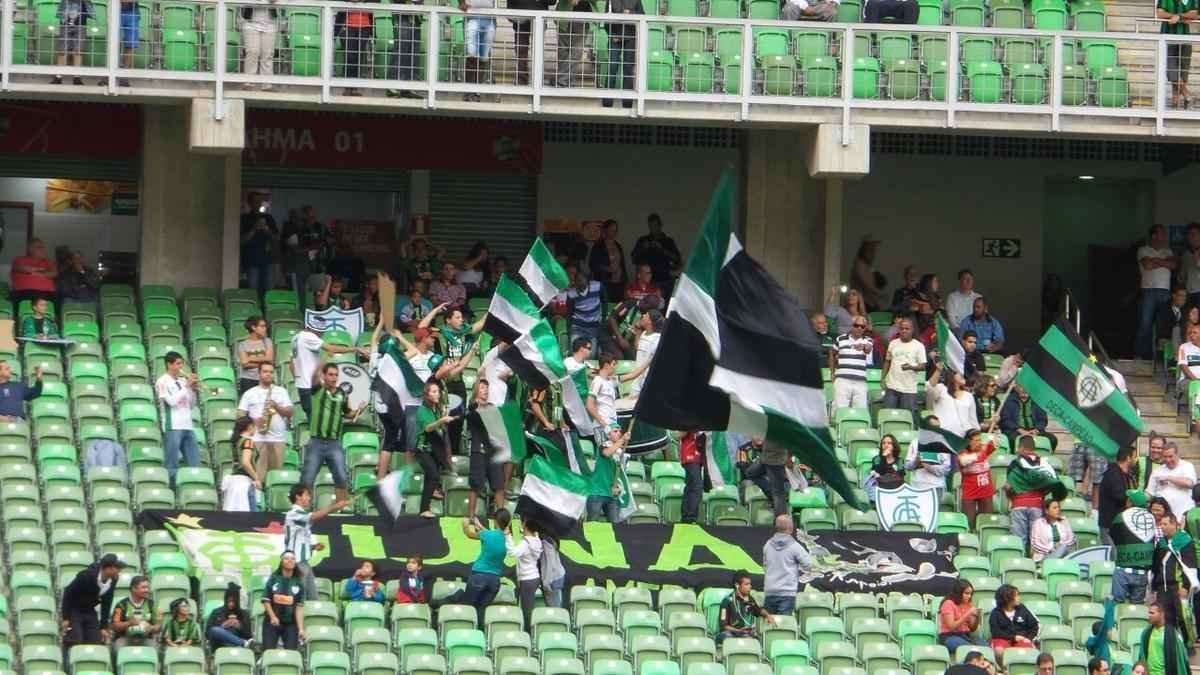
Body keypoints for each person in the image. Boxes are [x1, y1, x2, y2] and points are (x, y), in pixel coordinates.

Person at [301, 363, 362, 506]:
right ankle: (302, 508)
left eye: (336, 375)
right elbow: (313, 377)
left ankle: (340, 508)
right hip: (316, 442)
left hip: (334, 443)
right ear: (324, 376)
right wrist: (320, 361)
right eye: (330, 374)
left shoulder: (342, 394)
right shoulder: (317, 390)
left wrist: (359, 409)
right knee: (307, 478)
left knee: (341, 477)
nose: (334, 378)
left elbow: (348, 414)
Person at [437, 511, 511, 625]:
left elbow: (469, 534)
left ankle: (443, 603)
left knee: (466, 605)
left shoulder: (488, 535)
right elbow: (491, 534)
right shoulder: (507, 539)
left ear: (495, 521)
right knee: (480, 609)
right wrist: (479, 525)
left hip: (479, 575)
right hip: (494, 580)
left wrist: (465, 525)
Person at [284, 483, 347, 603]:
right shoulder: (293, 514)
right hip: (296, 563)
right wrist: (335, 507)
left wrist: (312, 547)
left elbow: (298, 540)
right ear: (298, 496)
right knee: (299, 600)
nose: (309, 498)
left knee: (313, 598)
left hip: (304, 563)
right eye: (307, 495)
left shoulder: (300, 515)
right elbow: (314, 516)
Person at [1006, 435, 1067, 551]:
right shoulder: (1044, 464)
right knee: (1036, 541)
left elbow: (1009, 486)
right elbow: (1053, 483)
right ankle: (1034, 566)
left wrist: (1010, 497)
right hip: (1037, 505)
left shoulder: (1014, 464)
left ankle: (1021, 567)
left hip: (1018, 505)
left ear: (1021, 448)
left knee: (1019, 541)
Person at [236, 362, 293, 482]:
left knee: (276, 478)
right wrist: (254, 421)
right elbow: (240, 414)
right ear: (259, 374)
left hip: (277, 439)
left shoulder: (281, 391)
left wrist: (276, 406)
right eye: (265, 372)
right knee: (258, 476)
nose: (269, 374)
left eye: (271, 372)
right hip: (257, 439)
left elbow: (290, 412)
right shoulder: (250, 393)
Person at [289, 326, 357, 417]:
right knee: (318, 419)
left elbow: (291, 365)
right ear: (311, 329)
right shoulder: (308, 336)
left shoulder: (295, 338)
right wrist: (355, 349)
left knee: (316, 416)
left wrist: (298, 381)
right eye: (319, 332)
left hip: (304, 386)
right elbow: (330, 348)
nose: (321, 335)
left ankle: (348, 413)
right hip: (310, 385)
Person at [61, 553, 127, 648]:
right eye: (117, 568)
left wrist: (103, 626)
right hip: (74, 609)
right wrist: (66, 617)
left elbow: (107, 601)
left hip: (90, 610)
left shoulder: (114, 579)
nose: (119, 571)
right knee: (75, 639)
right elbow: (68, 592)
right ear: (108, 569)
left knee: (95, 641)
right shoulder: (86, 576)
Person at [1151, 509, 1197, 642]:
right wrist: (1154, 586)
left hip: (1179, 585)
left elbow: (1190, 567)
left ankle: (1187, 646)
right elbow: (1156, 566)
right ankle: (1168, 643)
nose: (1162, 527)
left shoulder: (1186, 541)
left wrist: (1186, 586)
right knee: (1165, 617)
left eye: (1165, 524)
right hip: (1162, 587)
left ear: (1174, 524)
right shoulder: (1161, 543)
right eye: (1161, 524)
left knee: (1183, 617)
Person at [465, 380, 507, 520]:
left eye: (487, 388)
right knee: (475, 485)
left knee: (499, 484)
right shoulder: (472, 408)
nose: (485, 390)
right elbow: (474, 419)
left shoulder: (492, 407)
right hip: (479, 450)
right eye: (482, 387)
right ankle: (471, 516)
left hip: (493, 451)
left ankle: (501, 517)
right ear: (476, 389)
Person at [157, 351, 200, 486]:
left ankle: (194, 488)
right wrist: (186, 387)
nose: (181, 367)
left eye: (182, 363)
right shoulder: (162, 381)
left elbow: (191, 405)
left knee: (194, 462)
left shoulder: (182, 381)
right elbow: (171, 402)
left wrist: (193, 390)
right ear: (169, 364)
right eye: (178, 364)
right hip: (173, 425)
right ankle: (172, 491)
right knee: (172, 462)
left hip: (187, 425)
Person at [415, 380, 457, 518]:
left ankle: (424, 509)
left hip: (435, 450)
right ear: (427, 395)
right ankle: (424, 508)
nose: (437, 394)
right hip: (423, 450)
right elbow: (427, 428)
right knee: (433, 475)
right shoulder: (422, 410)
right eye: (433, 391)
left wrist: (445, 419)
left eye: (438, 391)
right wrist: (441, 421)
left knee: (430, 477)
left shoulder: (437, 410)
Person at [1138, 225, 1178, 359]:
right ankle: (1143, 355)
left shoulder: (1168, 251)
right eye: (1162, 233)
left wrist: (1154, 260)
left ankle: (1161, 357)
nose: (1164, 236)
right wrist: (1164, 262)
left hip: (1165, 292)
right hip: (1148, 291)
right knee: (1145, 323)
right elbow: (1147, 265)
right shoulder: (1143, 250)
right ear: (1154, 235)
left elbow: (1173, 265)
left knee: (1164, 325)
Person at [762, 515, 813, 615]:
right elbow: (808, 565)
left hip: (770, 591)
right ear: (791, 528)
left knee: (769, 626)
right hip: (787, 592)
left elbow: (765, 567)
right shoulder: (795, 547)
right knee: (783, 628)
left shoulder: (767, 545)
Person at [1111, 490, 1156, 602]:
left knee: (1117, 605)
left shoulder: (1121, 516)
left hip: (1123, 568)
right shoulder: (1152, 517)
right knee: (1136, 610)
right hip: (1143, 571)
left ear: (1130, 502)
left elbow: (1113, 535)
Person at [882, 318, 926, 421]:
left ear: (912, 330)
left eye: (907, 329)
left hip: (909, 389)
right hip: (892, 386)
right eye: (902, 328)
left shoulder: (919, 346)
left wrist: (911, 367)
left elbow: (922, 366)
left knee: (909, 417)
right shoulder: (893, 343)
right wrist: (882, 378)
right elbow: (887, 361)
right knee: (888, 416)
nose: (904, 331)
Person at [602, 0, 644, 108]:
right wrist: (611, 35)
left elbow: (642, 16)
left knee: (627, 69)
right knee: (612, 67)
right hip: (614, 38)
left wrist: (631, 13)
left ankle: (627, 104)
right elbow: (606, 20)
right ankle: (607, 103)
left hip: (630, 39)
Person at [716, 570, 777, 644]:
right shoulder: (727, 601)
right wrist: (740, 631)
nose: (750, 587)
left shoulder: (750, 599)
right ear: (737, 585)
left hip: (745, 633)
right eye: (746, 584)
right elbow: (724, 626)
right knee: (728, 636)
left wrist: (768, 615)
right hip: (730, 633)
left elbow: (759, 610)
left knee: (754, 639)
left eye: (750, 584)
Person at [262, 551, 307, 650]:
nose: (290, 560)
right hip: (272, 622)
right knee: (268, 651)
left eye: (293, 559)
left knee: (291, 653)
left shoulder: (299, 582)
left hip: (290, 624)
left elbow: (299, 608)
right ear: (282, 562)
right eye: (286, 558)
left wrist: (301, 629)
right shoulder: (273, 578)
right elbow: (266, 600)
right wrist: (273, 617)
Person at [632, 213, 682, 297]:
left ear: (660, 225)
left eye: (654, 225)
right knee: (648, 308)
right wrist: (643, 248)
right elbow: (633, 259)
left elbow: (677, 259)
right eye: (650, 226)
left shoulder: (668, 241)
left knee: (664, 307)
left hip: (665, 280)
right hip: (647, 282)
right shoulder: (643, 240)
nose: (652, 228)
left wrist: (662, 249)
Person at [739, 437, 791, 517]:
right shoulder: (744, 448)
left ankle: (780, 520)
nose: (759, 437)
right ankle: (769, 491)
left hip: (775, 463)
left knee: (778, 492)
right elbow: (743, 467)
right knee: (749, 474)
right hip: (766, 462)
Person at [905, 415, 953, 500]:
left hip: (936, 487)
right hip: (918, 486)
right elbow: (907, 466)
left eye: (938, 427)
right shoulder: (915, 442)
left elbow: (946, 469)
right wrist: (916, 462)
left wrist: (928, 466)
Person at [829, 315, 873, 409]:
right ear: (851, 325)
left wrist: (864, 347)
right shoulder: (840, 339)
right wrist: (832, 373)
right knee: (838, 409)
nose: (859, 328)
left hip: (860, 381)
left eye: (862, 326)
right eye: (856, 325)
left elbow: (868, 349)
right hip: (842, 380)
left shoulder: (868, 340)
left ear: (865, 328)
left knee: (860, 410)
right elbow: (832, 354)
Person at [926, 359, 978, 437]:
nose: (962, 374)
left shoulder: (969, 396)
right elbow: (929, 387)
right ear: (951, 375)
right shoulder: (941, 389)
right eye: (958, 373)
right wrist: (938, 370)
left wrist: (976, 434)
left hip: (963, 438)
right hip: (943, 435)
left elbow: (973, 420)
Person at [1147, 444, 1197, 523]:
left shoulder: (1187, 466)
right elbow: (1149, 493)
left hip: (1183, 514)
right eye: (1165, 457)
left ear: (1177, 455)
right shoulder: (1157, 471)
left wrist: (1169, 478)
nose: (1168, 460)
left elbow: (1189, 483)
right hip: (1163, 518)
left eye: (1170, 456)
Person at [1098, 447, 1138, 546]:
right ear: (1128, 458)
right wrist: (1131, 496)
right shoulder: (1113, 473)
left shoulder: (1124, 474)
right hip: (1109, 524)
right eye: (1134, 456)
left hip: (1118, 524)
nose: (1136, 459)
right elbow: (1119, 495)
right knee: (1112, 554)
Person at [508, 519, 543, 630]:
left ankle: (528, 633)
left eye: (522, 523)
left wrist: (508, 537)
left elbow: (513, 553)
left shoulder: (526, 542)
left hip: (527, 579)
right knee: (527, 607)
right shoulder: (536, 539)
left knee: (526, 610)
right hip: (534, 577)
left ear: (525, 526)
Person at [1136, 602, 1190, 675]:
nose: (1149, 615)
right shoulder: (1146, 633)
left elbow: (1181, 659)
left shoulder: (1173, 635)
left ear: (1162, 614)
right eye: (1148, 613)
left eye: (1152, 613)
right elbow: (1142, 656)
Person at [999, 385, 1056, 452]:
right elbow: (1006, 420)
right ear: (1015, 388)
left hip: (1034, 430)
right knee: (1012, 439)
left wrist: (1036, 430)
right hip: (1015, 431)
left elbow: (1042, 419)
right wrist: (1020, 430)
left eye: (1027, 387)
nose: (1024, 390)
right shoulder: (1009, 400)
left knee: (1052, 439)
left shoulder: (1037, 400)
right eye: (1021, 387)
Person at [988, 584, 1038, 660]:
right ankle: (1003, 670)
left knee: (1029, 651)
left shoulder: (1022, 608)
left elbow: (1034, 625)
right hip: (1003, 639)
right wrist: (1013, 638)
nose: (1019, 598)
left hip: (1022, 639)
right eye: (1016, 595)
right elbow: (996, 633)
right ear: (1007, 598)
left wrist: (1029, 638)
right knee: (999, 650)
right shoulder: (995, 613)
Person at [958, 430, 996, 530]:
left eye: (980, 440)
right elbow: (963, 461)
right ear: (968, 442)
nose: (979, 442)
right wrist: (978, 454)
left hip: (986, 491)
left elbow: (995, 443)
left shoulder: (982, 449)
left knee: (986, 523)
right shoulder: (962, 452)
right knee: (968, 523)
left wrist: (993, 437)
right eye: (976, 440)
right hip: (970, 492)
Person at [566, 268, 605, 360]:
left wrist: (603, 318)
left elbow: (604, 302)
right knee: (575, 352)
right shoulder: (571, 294)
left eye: (582, 280)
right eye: (578, 281)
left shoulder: (598, 286)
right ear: (575, 282)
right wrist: (569, 331)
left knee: (592, 355)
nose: (580, 283)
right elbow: (569, 314)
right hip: (577, 327)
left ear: (588, 281)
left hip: (593, 327)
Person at [221, 417, 259, 512]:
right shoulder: (248, 441)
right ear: (250, 427)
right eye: (254, 426)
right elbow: (245, 462)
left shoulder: (235, 441)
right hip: (244, 483)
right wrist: (256, 478)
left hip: (234, 482)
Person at [50, 0, 91, 84]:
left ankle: (77, 77)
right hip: (65, 21)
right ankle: (59, 76)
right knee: (62, 50)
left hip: (81, 22)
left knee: (78, 49)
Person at [938, 579, 984, 654]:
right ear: (958, 593)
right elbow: (951, 626)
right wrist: (968, 613)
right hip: (950, 636)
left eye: (970, 594)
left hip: (966, 635)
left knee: (985, 647)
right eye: (966, 593)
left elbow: (972, 628)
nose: (969, 596)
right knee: (971, 650)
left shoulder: (968, 604)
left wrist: (977, 617)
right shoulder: (948, 603)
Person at [590, 220, 629, 302]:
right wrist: (607, 269)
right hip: (605, 282)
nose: (614, 232)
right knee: (606, 306)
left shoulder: (618, 245)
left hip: (619, 283)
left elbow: (622, 264)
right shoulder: (598, 246)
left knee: (618, 307)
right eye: (612, 230)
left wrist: (625, 281)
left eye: (615, 230)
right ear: (606, 230)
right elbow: (592, 264)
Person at [205, 583, 253, 650]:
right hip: (220, 645)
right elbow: (207, 633)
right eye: (229, 601)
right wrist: (222, 626)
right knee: (214, 630)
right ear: (225, 600)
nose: (231, 604)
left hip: (237, 646)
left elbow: (249, 636)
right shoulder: (216, 612)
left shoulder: (244, 614)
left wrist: (240, 626)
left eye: (233, 602)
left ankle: (240, 643)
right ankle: (243, 643)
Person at [10, 238, 57, 304]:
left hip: (48, 294)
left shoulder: (48, 262)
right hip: (24, 292)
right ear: (30, 249)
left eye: (43, 247)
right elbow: (23, 268)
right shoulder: (19, 259)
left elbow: (54, 273)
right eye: (39, 247)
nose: (42, 250)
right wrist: (42, 272)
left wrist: (38, 274)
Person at [236, 316, 274, 395]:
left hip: (264, 379)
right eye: (262, 326)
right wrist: (263, 363)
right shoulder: (243, 344)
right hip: (247, 380)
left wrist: (249, 358)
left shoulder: (268, 341)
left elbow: (269, 359)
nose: (265, 329)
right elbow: (244, 363)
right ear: (253, 327)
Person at [1030, 497, 1076, 562]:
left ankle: (1052, 561)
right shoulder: (1038, 523)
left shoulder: (1064, 521)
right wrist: (1051, 549)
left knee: (1064, 546)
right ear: (1046, 511)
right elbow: (1035, 543)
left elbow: (1072, 539)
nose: (1058, 510)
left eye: (1058, 507)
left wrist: (1060, 545)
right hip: (1044, 556)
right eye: (1054, 508)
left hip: (1063, 555)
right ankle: (1051, 561)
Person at [865, 433, 905, 503]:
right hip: (880, 488)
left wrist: (882, 475)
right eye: (883, 443)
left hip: (895, 489)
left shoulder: (899, 460)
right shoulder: (876, 459)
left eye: (889, 443)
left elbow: (900, 476)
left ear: (894, 446)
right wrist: (884, 457)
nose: (886, 445)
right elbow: (878, 471)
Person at [679, 431, 707, 524]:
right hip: (689, 454)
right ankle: (690, 517)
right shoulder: (688, 418)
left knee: (690, 486)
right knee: (696, 486)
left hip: (699, 456)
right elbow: (678, 435)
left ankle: (686, 516)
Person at [1086, 598, 1117, 672]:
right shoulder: (1101, 643)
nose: (1112, 631)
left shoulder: (1103, 643)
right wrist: (1110, 604)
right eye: (1110, 629)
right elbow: (1106, 622)